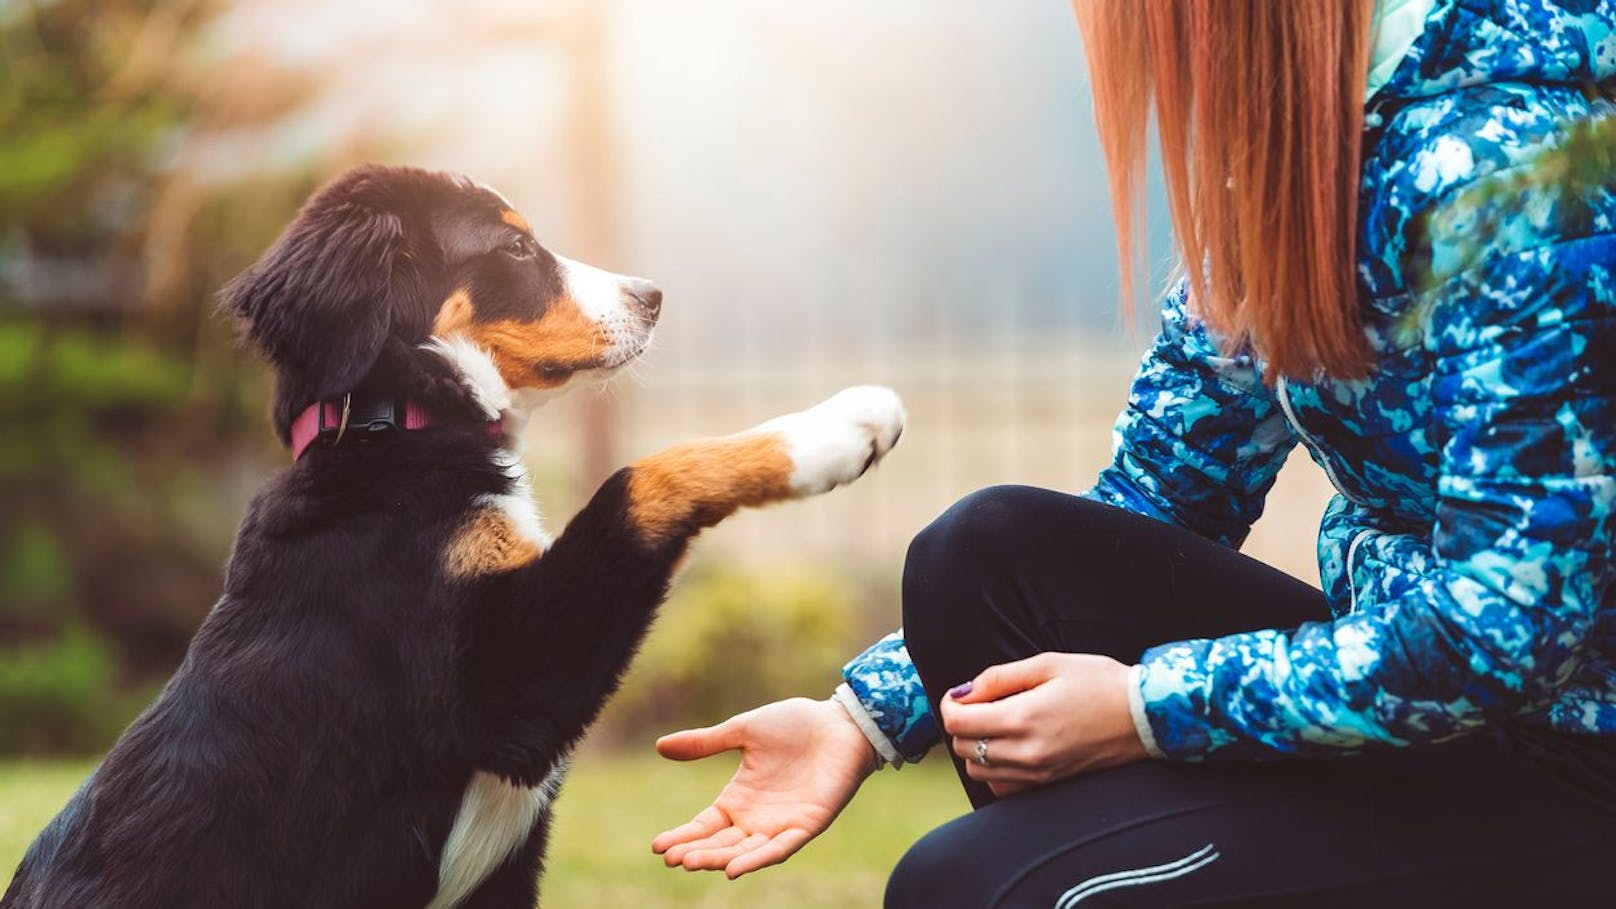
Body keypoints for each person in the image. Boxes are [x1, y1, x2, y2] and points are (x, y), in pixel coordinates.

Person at [651, 1, 1616, 905]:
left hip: (1576, 763)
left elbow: (1506, 633)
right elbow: (1162, 493)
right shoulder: (1311, 150)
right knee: (984, 554)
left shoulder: (1514, 167)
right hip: (1435, 723)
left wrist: (1145, 705)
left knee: (972, 885)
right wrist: (858, 720)